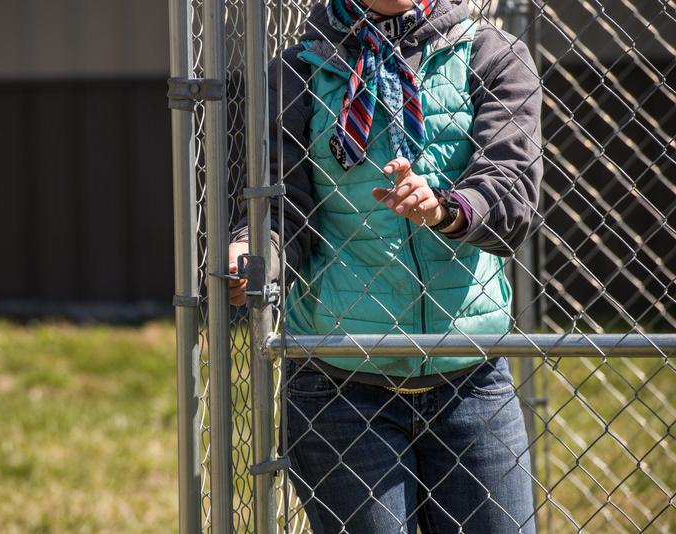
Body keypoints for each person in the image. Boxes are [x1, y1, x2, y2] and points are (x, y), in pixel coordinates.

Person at [230, 0, 542, 531]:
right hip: (339, 383)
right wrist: (251, 255)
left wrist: (444, 208)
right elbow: (284, 214)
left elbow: (513, 198)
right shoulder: (298, 71)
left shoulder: (492, 54)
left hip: (471, 379)